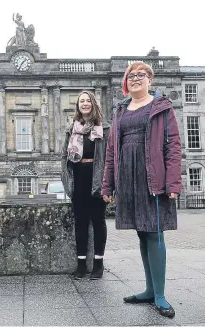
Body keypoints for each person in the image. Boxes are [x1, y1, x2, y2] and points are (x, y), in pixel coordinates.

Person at [102, 61, 181, 318]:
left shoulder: (162, 107)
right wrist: (108, 184)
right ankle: (149, 289)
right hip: (128, 179)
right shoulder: (120, 110)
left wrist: (173, 183)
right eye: (131, 75)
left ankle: (159, 295)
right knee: (142, 233)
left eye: (141, 75)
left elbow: (173, 147)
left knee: (155, 233)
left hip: (152, 177)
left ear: (150, 80)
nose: (135, 78)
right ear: (126, 83)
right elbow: (112, 150)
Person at [61, 91, 110, 280]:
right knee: (80, 221)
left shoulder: (104, 128)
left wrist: (108, 185)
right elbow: (64, 156)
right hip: (78, 177)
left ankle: (98, 264)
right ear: (78, 106)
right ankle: (81, 264)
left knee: (98, 220)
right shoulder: (72, 128)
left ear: (93, 103)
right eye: (81, 101)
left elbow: (110, 157)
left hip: (97, 176)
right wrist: (67, 179)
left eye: (88, 100)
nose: (85, 104)